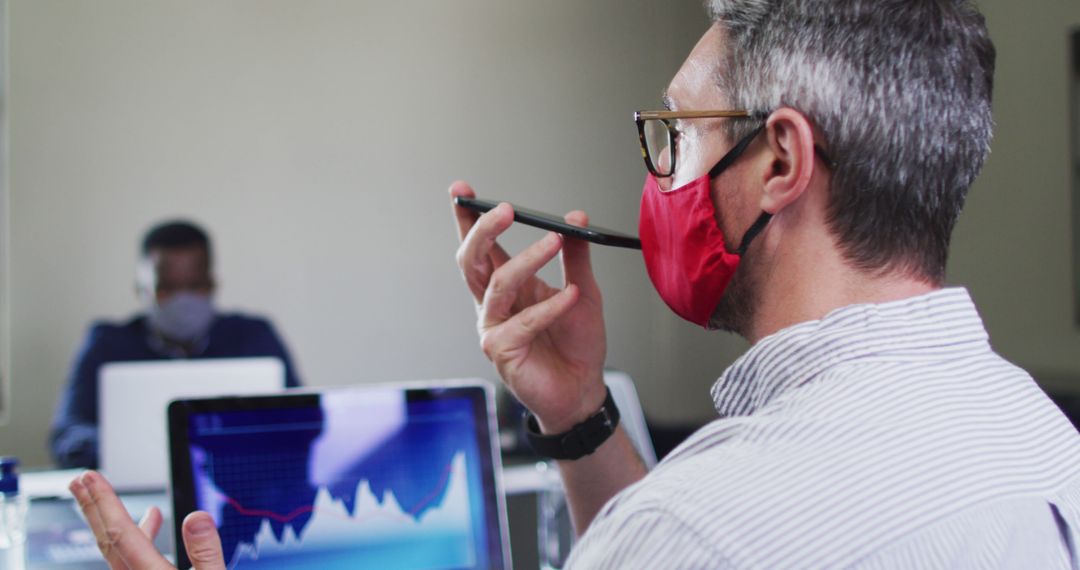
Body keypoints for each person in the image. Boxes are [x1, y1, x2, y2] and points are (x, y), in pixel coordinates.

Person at [68, 1, 1080, 568]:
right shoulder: (1040, 439)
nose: (660, 171)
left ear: (779, 163)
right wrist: (579, 416)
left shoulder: (694, 532)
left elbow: (687, 542)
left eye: (679, 133)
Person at [51, 221, 301, 469]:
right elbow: (67, 435)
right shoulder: (106, 343)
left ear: (213, 285)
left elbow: (303, 420)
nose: (183, 300)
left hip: (238, 489)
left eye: (194, 286)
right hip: (133, 496)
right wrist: (123, 449)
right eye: (167, 288)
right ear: (141, 290)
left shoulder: (253, 336)